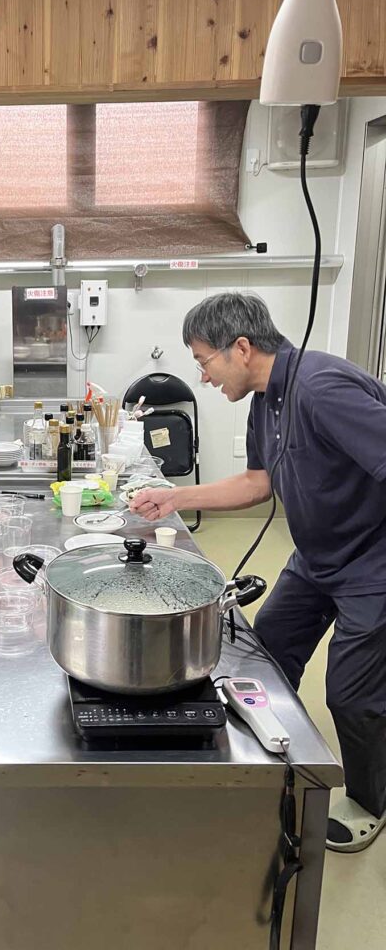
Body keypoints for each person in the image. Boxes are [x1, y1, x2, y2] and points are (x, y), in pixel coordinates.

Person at [129, 292, 386, 854]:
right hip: (316, 559)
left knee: (352, 695)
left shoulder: (321, 387)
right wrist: (174, 497)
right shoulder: (267, 399)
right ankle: (266, 765)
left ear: (241, 348)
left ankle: (369, 800)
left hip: (372, 564)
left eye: (205, 361)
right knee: (262, 655)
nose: (204, 376)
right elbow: (258, 483)